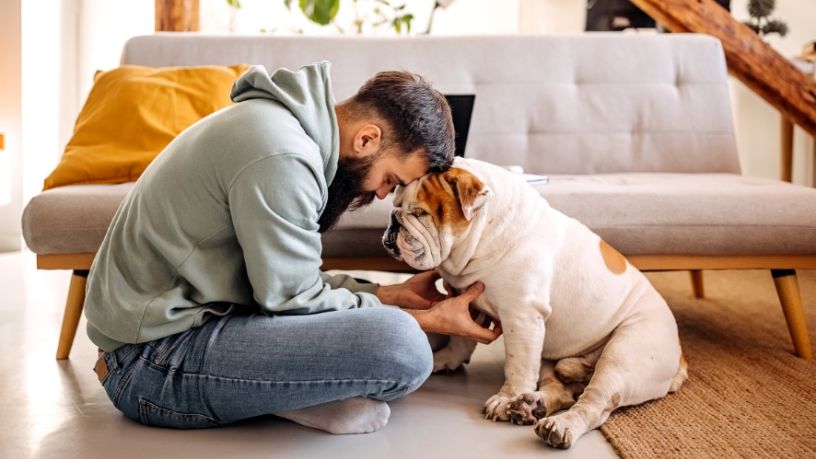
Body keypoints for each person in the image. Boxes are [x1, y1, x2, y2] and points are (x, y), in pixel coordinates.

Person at [85, 61, 502, 434]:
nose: (381, 194)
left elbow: (287, 278)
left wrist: (383, 294)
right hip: (149, 362)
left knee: (395, 329)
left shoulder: (281, 128)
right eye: (391, 179)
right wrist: (422, 319)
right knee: (403, 347)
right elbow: (292, 299)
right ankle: (289, 398)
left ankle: (286, 395)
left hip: (184, 329)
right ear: (367, 140)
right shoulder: (281, 155)